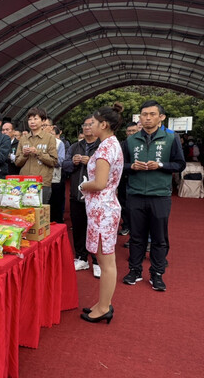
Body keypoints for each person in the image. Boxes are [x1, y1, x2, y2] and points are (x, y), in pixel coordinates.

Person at [122, 100, 186, 291]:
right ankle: (134, 270)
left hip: (160, 195)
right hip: (135, 194)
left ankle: (157, 274)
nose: (147, 118)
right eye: (144, 114)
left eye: (152, 114)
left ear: (161, 117)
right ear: (139, 117)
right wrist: (131, 166)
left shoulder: (170, 138)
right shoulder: (130, 141)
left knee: (159, 237)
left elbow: (180, 164)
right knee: (136, 236)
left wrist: (160, 165)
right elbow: (120, 167)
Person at [79, 102, 124, 324]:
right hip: (105, 208)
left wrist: (82, 186)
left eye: (93, 123)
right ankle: (102, 302)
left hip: (102, 210)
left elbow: (99, 183)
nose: (90, 126)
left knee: (106, 263)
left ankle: (105, 306)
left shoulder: (106, 148)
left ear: (104, 124)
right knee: (105, 259)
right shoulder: (111, 144)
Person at [63, 116, 101, 277]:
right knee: (78, 227)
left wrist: (91, 161)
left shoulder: (102, 147)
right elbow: (64, 165)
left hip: (96, 195)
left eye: (90, 124)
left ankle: (98, 261)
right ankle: (81, 257)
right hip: (77, 193)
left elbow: (112, 168)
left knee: (96, 228)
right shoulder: (75, 146)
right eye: (84, 125)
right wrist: (74, 162)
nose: (87, 127)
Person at [15, 107, 57, 204]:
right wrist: (24, 155)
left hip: (42, 183)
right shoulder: (23, 139)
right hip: (24, 182)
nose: (32, 122)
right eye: (30, 119)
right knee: (25, 213)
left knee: (40, 214)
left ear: (43, 121)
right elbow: (17, 162)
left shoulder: (50, 138)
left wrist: (38, 152)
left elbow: (53, 161)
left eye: (35, 119)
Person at [118, 122, 140, 240]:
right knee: (123, 204)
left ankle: (134, 230)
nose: (131, 133)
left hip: (137, 179)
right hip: (123, 178)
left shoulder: (141, 145)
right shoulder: (121, 144)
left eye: (134, 131)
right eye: (129, 131)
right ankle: (126, 225)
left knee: (134, 206)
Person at [46, 123, 66, 223]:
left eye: (46, 125)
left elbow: (60, 161)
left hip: (54, 179)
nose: (44, 128)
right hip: (38, 180)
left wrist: (45, 157)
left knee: (55, 207)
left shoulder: (59, 143)